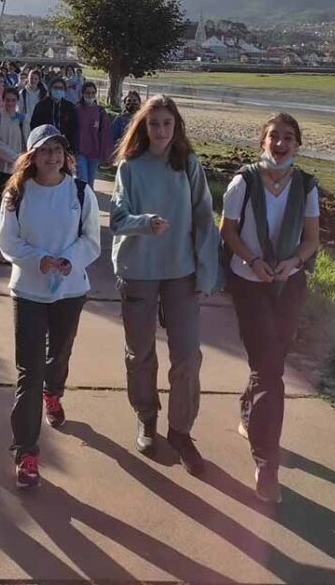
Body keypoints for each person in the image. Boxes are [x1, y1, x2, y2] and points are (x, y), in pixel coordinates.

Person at [110, 95, 218, 474]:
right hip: (138, 269)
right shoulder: (130, 167)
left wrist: (206, 273)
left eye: (166, 124)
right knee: (139, 353)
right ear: (143, 126)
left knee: (187, 357)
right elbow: (118, 217)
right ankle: (146, 416)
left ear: (176, 127)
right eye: (153, 123)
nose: (160, 130)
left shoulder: (187, 164)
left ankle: (180, 431)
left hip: (181, 273)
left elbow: (206, 220)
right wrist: (144, 222)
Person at [220, 112, 320, 504]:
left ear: (297, 144)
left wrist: (292, 263)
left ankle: (250, 407)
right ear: (262, 141)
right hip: (248, 282)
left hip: (288, 283)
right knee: (268, 367)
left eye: (288, 137)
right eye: (273, 136)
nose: (280, 143)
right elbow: (226, 230)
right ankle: (266, 463)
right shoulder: (242, 182)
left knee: (271, 362)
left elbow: (312, 240)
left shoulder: (307, 186)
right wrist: (251, 260)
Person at [0, 124, 101, 488]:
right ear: (32, 156)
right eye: (44, 151)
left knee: (58, 354)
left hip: (70, 290)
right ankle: (26, 451)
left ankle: (53, 392)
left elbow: (91, 240)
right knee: (29, 369)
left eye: (57, 150)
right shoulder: (17, 193)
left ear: (65, 155)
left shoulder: (80, 191)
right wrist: (37, 260)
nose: (52, 156)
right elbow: (8, 241)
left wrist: (69, 260)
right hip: (28, 290)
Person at [0, 86, 28, 208]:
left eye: (13, 100)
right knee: (0, 198)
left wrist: (21, 160)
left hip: (16, 167)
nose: (10, 103)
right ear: (3, 100)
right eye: (8, 100)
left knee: (15, 198)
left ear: (17, 101)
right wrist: (14, 157)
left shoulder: (23, 119)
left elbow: (27, 141)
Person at [75, 80, 112, 186]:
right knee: (83, 181)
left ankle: (89, 202)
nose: (90, 95)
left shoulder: (100, 111)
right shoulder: (76, 110)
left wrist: (106, 154)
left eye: (92, 93)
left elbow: (105, 134)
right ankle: (81, 202)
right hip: (80, 152)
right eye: (87, 93)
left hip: (94, 153)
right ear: (83, 94)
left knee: (90, 183)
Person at [30, 76, 79, 153]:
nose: (58, 90)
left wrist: (72, 148)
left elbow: (74, 128)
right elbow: (34, 125)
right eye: (55, 87)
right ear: (50, 89)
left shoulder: (69, 107)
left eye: (61, 88)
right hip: (45, 144)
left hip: (64, 146)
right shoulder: (41, 105)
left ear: (64, 90)